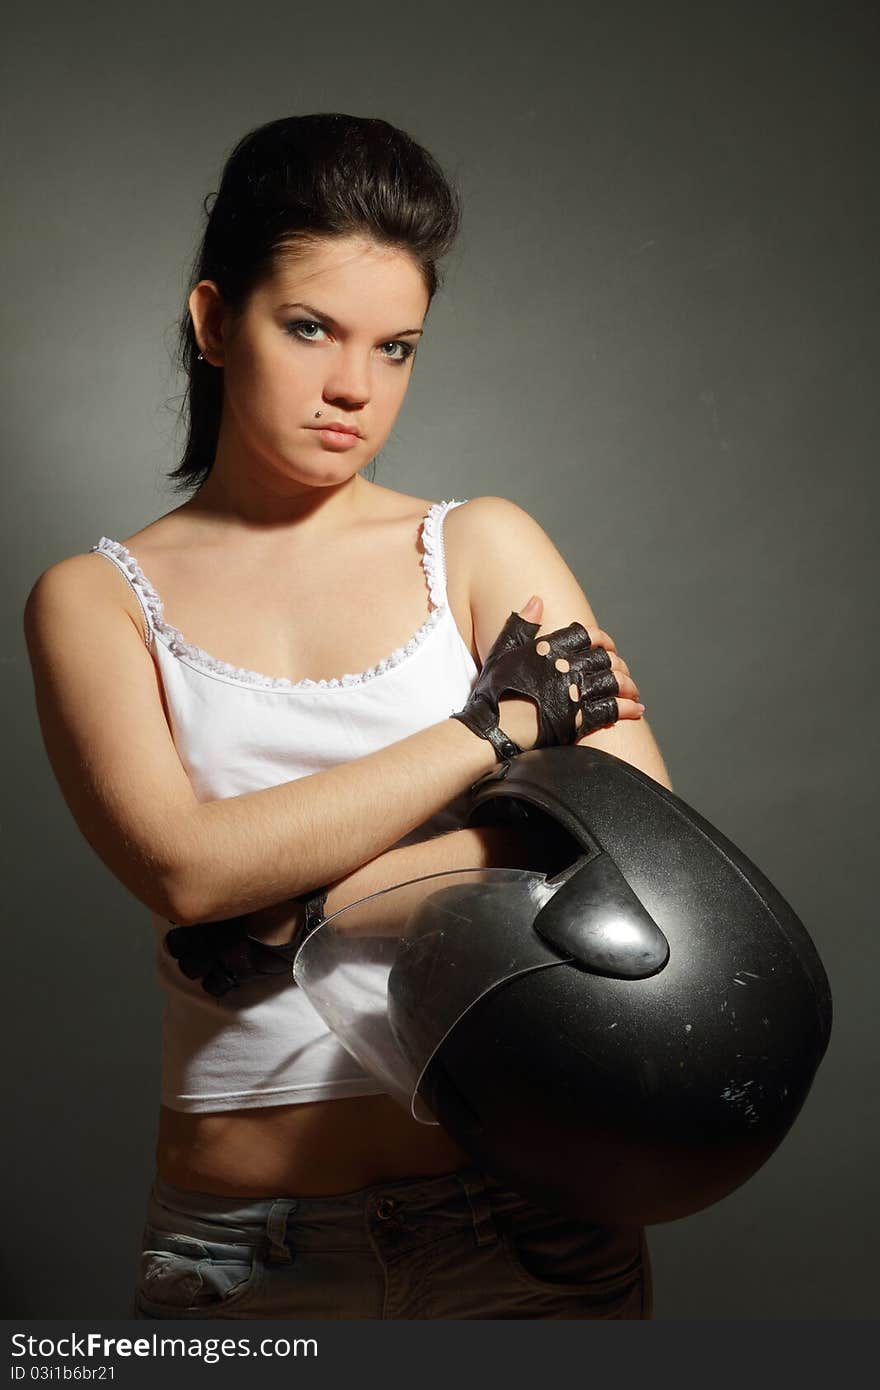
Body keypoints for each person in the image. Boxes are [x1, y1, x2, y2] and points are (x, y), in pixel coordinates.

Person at [23, 112, 673, 1320]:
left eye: (397, 347)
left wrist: (306, 911)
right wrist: (499, 735)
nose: (352, 389)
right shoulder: (93, 599)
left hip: (529, 1224)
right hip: (242, 1252)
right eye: (310, 327)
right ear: (214, 321)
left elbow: (642, 855)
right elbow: (188, 870)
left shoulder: (479, 544)